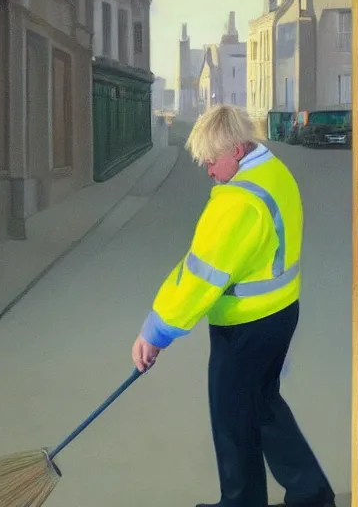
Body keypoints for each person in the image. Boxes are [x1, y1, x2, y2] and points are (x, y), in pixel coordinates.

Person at [131, 105, 335, 507]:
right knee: (263, 409)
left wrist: (156, 332)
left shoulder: (237, 203)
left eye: (211, 160)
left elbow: (198, 278)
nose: (207, 170)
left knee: (232, 420)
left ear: (238, 150)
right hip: (278, 314)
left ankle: (245, 502)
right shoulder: (273, 172)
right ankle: (311, 495)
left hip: (245, 327)